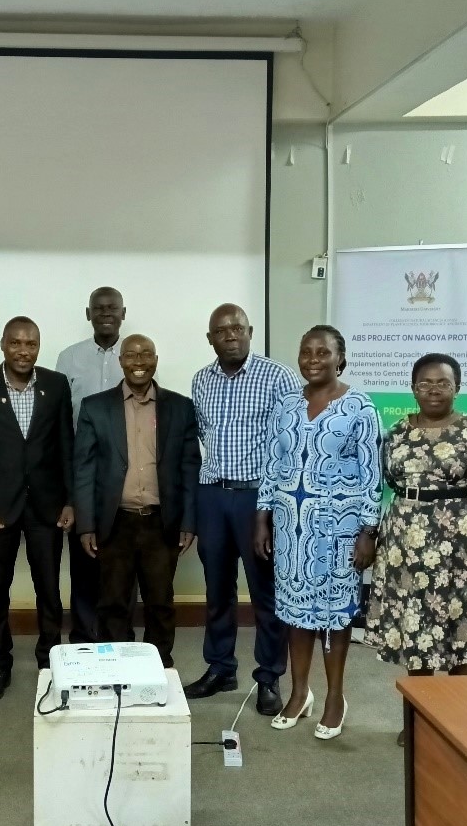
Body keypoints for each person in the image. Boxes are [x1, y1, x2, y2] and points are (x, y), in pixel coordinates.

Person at [362, 354, 467, 743]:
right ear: (412, 389)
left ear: (457, 388)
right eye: (424, 383)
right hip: (407, 543)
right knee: (417, 628)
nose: (433, 389)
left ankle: (459, 720)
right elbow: (381, 483)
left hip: (464, 543)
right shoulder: (394, 434)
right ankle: (419, 720)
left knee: (466, 626)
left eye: (442, 383)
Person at [256, 326, 380, 740]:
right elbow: (273, 465)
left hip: (339, 532)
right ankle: (300, 693)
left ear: (339, 357)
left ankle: (335, 698)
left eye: (322, 352)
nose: (313, 359)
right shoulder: (287, 405)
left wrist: (368, 531)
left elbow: (372, 477)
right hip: (292, 529)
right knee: (295, 614)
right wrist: (263, 517)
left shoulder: (359, 407)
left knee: (337, 618)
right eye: (306, 351)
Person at [185, 303, 300, 717]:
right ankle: (220, 667)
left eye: (237, 327)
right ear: (210, 338)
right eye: (221, 330)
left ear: (250, 331)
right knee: (217, 591)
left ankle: (269, 676)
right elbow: (202, 436)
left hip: (258, 499)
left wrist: (268, 510)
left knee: (265, 593)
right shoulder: (201, 381)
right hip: (213, 496)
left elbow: (291, 445)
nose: (230, 335)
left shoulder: (278, 376)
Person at [0, 317, 75, 700]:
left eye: (31, 343)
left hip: (46, 505)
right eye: (16, 343)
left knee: (49, 590)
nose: (23, 351)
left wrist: (70, 500)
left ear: (38, 346)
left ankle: (50, 662)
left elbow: (66, 446)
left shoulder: (56, 385)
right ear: (2, 344)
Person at [74, 334, 199, 668]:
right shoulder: (95, 407)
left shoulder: (180, 407)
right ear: (121, 361)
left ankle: (157, 666)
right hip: (115, 521)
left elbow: (190, 467)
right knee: (113, 601)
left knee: (160, 601)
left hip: (162, 522)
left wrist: (189, 520)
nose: (139, 361)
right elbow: (83, 469)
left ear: (155, 360)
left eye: (146, 355)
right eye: (131, 355)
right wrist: (86, 524)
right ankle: (118, 666)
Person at [55, 286, 126, 642]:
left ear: (123, 314)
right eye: (98, 308)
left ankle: (116, 640)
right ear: (88, 314)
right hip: (82, 472)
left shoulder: (136, 354)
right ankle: (82, 638)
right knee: (84, 561)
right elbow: (60, 421)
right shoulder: (68, 359)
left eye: (113, 308)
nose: (106, 313)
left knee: (119, 564)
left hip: (124, 476)